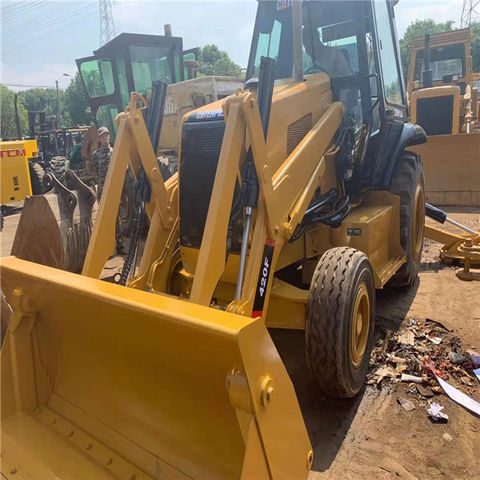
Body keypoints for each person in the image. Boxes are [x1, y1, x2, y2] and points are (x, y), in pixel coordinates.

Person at [91, 126, 112, 200]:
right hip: (103, 189)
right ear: (99, 139)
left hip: (116, 186)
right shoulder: (96, 154)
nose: (105, 138)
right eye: (102, 136)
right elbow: (94, 171)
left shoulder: (115, 152)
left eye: (107, 135)